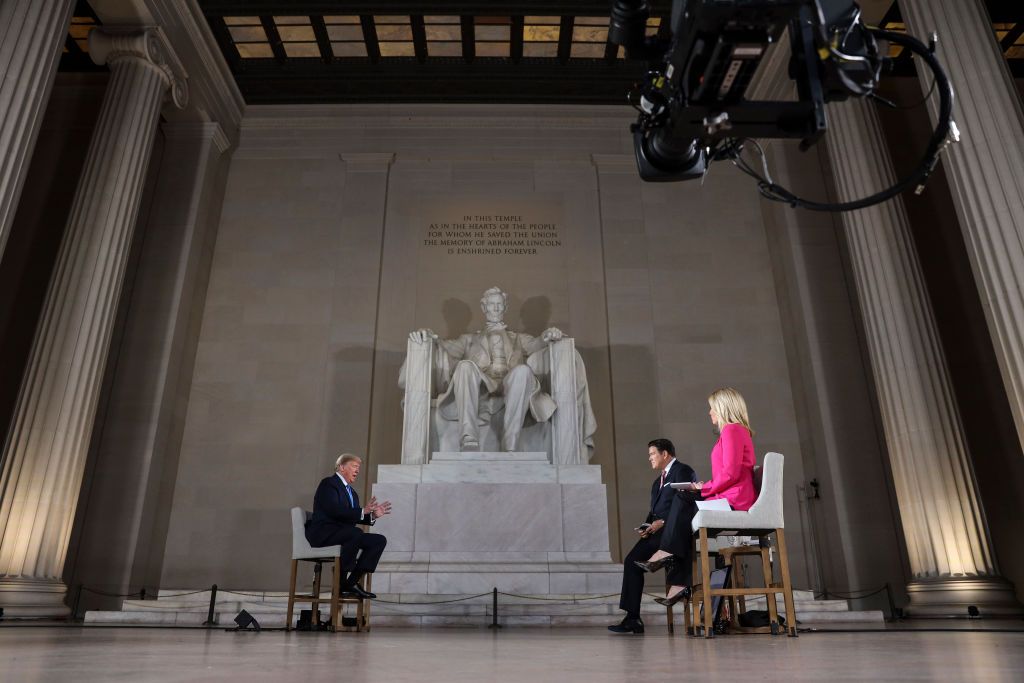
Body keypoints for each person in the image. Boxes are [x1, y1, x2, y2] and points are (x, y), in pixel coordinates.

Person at [407, 286, 594, 452]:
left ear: (504, 308)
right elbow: (444, 346)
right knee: (464, 366)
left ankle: (511, 441)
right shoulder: (469, 339)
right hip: (480, 387)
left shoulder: (518, 338)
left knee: (523, 371)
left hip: (511, 385)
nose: (495, 308)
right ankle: (468, 437)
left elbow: (538, 344)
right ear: (483, 307)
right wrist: (428, 336)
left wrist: (548, 335)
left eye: (499, 305)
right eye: (491, 304)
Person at [635, 388, 758, 607]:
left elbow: (731, 474)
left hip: (734, 501)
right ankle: (678, 584)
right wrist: (703, 487)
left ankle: (668, 560)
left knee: (682, 498)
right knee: (682, 518)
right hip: (726, 496)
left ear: (722, 407)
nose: (710, 412)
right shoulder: (733, 432)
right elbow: (728, 473)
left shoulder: (732, 430)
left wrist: (702, 488)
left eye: (712, 407)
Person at [608, 438, 697, 634]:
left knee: (641, 558)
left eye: (652, 454)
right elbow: (654, 511)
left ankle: (677, 577)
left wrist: (663, 522)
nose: (649, 459)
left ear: (665, 454)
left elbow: (688, 501)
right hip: (655, 533)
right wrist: (647, 525)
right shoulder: (657, 481)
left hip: (674, 532)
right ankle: (632, 618)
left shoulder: (682, 470)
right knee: (631, 562)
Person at [305, 453, 392, 599]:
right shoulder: (329, 484)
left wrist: (373, 516)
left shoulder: (353, 493)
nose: (357, 470)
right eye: (354, 466)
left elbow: (352, 515)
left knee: (378, 540)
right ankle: (340, 580)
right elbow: (334, 510)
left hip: (345, 534)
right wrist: (362, 510)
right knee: (354, 533)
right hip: (324, 533)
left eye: (359, 467)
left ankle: (350, 582)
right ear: (341, 467)